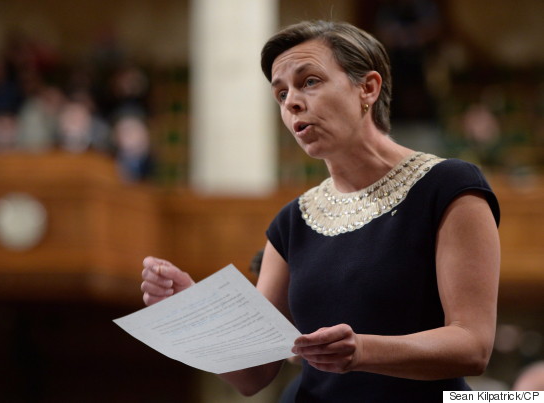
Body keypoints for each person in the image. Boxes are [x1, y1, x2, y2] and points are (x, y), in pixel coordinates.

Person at [141, 20, 500, 402]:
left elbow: (471, 344)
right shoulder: (292, 221)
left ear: (368, 88)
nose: (292, 101)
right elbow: (254, 374)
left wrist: (362, 351)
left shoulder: (448, 187)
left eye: (309, 81)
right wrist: (194, 311)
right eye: (281, 94)